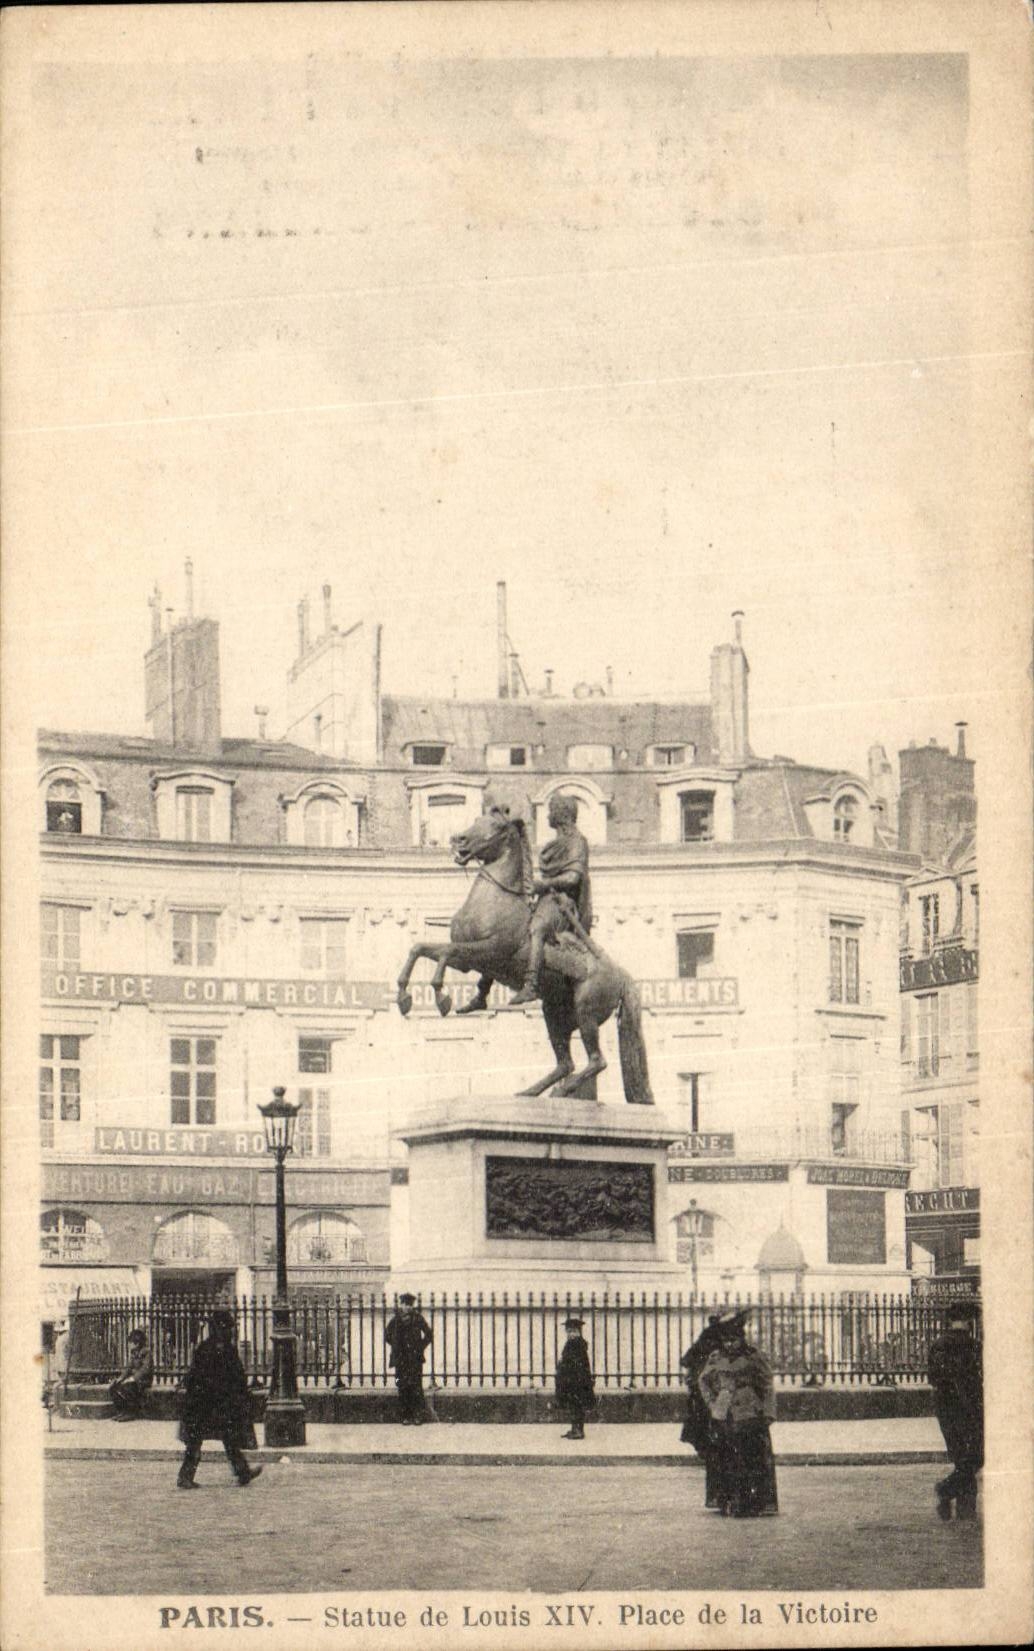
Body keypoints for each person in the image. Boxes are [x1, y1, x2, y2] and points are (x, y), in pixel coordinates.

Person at [510, 794, 593, 1005]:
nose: (548, 815)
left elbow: (573, 877)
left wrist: (543, 885)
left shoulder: (577, 842)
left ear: (562, 814)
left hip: (563, 904)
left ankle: (531, 985)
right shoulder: (556, 843)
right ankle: (483, 990)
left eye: (551, 810)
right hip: (547, 899)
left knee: (537, 928)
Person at [698, 1309, 778, 1518]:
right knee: (725, 1458)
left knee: (750, 1457)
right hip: (724, 1412)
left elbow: (767, 1384)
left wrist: (768, 1411)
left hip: (749, 1412)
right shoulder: (716, 1357)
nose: (730, 1345)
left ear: (741, 1339)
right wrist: (713, 1403)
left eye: (734, 1340)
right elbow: (703, 1381)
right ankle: (727, 1500)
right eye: (726, 1341)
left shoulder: (753, 1356)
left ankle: (752, 1502)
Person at [177, 1310, 262, 1489]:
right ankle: (186, 1477)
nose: (231, 1332)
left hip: (207, 1403)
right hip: (210, 1403)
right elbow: (235, 1376)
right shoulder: (220, 1349)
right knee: (209, 1439)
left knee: (220, 1438)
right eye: (228, 1328)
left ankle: (242, 1472)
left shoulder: (206, 1347)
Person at [928, 1301, 983, 1520]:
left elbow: (934, 1377)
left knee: (962, 1458)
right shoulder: (974, 1346)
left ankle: (963, 1508)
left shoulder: (938, 1345)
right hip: (971, 1408)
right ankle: (951, 1495)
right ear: (970, 1321)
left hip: (946, 1408)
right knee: (976, 1457)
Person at [679, 1314, 725, 1508]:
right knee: (708, 1426)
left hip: (703, 1392)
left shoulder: (706, 1339)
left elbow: (688, 1361)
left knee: (703, 1425)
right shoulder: (714, 1341)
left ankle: (705, 1450)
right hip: (706, 1392)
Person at [384, 1293, 433, 1425]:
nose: (406, 1307)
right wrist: (396, 1347)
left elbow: (429, 1334)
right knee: (402, 1386)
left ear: (412, 1306)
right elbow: (386, 1335)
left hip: (414, 1358)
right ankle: (405, 1416)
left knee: (416, 1387)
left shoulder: (418, 1318)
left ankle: (418, 1416)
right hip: (400, 1359)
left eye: (408, 1304)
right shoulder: (396, 1320)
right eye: (404, 1304)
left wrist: (420, 1346)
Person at [555, 1316, 596, 1440]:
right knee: (573, 1405)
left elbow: (577, 1364)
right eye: (568, 1331)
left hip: (576, 1381)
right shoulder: (573, 1343)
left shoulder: (577, 1344)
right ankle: (574, 1428)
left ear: (577, 1331)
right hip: (572, 1380)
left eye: (572, 1331)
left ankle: (579, 1431)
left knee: (577, 1405)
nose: (569, 1333)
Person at [109, 1328, 154, 1421]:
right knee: (114, 1386)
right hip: (135, 1379)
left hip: (143, 1380)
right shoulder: (134, 1353)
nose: (129, 1345)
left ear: (137, 1343)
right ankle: (122, 1412)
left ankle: (130, 1413)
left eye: (130, 1342)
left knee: (127, 1387)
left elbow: (145, 1370)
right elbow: (128, 1368)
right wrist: (120, 1378)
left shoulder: (147, 1352)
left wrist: (133, 1378)